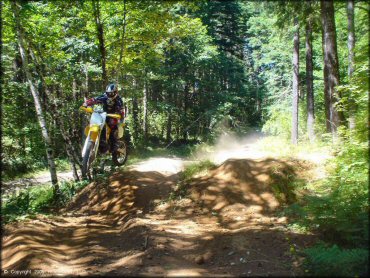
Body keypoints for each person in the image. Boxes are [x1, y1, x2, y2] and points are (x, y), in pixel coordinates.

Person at [83, 83, 125, 153]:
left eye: (112, 93)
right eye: (108, 93)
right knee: (99, 122)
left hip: (114, 115)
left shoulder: (119, 100)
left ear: (116, 92)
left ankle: (114, 144)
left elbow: (121, 110)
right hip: (104, 114)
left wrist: (119, 115)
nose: (110, 95)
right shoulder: (104, 96)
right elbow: (95, 99)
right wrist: (86, 103)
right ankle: (99, 140)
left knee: (113, 126)